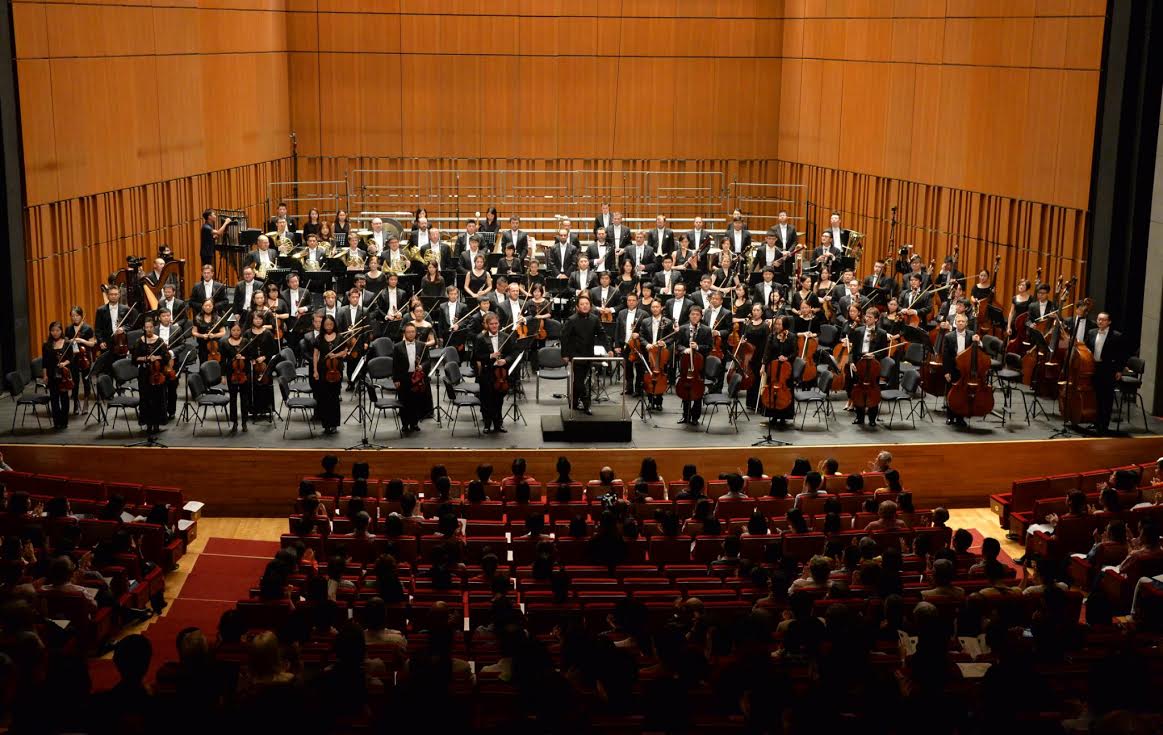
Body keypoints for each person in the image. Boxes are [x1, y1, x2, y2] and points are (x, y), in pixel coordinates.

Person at [560, 295, 610, 414]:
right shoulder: (572, 320)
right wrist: (565, 355)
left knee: (582, 380)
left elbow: (602, 334)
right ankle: (587, 404)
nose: (584, 306)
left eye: (586, 304)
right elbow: (564, 338)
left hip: (588, 354)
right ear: (577, 307)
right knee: (579, 382)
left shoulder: (594, 319)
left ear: (590, 305)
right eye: (582, 304)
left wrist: (609, 348)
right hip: (576, 356)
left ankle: (574, 402)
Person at [1084, 312, 1128, 435]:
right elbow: (1086, 349)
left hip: (1108, 369)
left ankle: (1104, 425)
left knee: (1107, 398)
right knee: (1096, 397)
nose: (1100, 322)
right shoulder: (1091, 332)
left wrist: (1119, 370)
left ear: (1109, 322)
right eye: (1098, 319)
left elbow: (1122, 355)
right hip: (1094, 368)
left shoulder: (1116, 336)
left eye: (1103, 320)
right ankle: (1096, 422)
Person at [473, 312, 517, 434]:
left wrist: (505, 360)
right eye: (491, 324)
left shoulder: (505, 336)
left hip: (501, 373)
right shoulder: (480, 338)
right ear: (487, 325)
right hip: (487, 372)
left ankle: (498, 424)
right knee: (487, 400)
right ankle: (487, 424)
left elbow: (512, 354)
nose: (494, 326)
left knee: (499, 399)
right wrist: (490, 356)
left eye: (496, 323)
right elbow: (476, 356)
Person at [848, 306, 888, 426]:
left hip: (873, 366)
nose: (867, 319)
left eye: (870, 317)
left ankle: (872, 419)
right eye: (866, 316)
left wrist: (874, 356)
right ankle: (859, 417)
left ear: (876, 319)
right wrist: (851, 362)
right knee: (858, 391)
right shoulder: (858, 331)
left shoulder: (881, 333)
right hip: (859, 363)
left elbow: (884, 352)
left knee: (873, 390)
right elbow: (852, 350)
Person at [942, 312, 981, 427]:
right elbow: (945, 356)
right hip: (953, 368)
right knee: (950, 393)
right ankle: (950, 416)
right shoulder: (949, 336)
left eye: (962, 321)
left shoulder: (971, 335)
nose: (960, 323)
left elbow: (979, 351)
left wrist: (978, 341)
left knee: (963, 394)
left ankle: (960, 417)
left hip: (966, 370)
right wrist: (946, 371)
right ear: (955, 323)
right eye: (958, 321)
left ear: (966, 323)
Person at [676, 305, 712, 425]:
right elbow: (678, 345)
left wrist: (697, 347)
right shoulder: (682, 328)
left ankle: (695, 417)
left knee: (698, 391)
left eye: (697, 315)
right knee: (685, 389)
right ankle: (685, 415)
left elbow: (709, 347)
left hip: (699, 366)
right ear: (689, 316)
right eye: (692, 314)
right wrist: (684, 349)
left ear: (701, 316)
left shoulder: (706, 330)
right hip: (685, 365)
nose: (695, 316)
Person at [132, 316, 168, 435]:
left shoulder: (160, 341)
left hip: (157, 374)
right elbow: (134, 359)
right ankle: (148, 424)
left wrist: (157, 357)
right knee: (146, 399)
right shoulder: (139, 342)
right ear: (143, 328)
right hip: (144, 374)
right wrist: (146, 358)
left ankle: (157, 424)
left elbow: (166, 357)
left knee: (158, 399)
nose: (149, 329)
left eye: (151, 327)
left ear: (154, 327)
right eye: (146, 327)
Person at [313, 314, 348, 434]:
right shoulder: (319, 338)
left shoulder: (339, 337)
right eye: (326, 324)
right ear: (323, 325)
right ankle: (326, 424)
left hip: (336, 370)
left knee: (334, 398)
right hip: (323, 370)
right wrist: (315, 371)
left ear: (334, 325)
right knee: (324, 398)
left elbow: (345, 352)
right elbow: (315, 355)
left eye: (331, 324)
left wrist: (335, 355)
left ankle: (334, 424)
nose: (329, 326)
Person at [392, 323, 429, 434]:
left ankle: (414, 423)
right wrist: (396, 380)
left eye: (413, 332)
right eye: (408, 332)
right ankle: (405, 424)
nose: (411, 334)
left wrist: (422, 366)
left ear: (416, 333)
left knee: (416, 400)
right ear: (404, 333)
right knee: (404, 401)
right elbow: (395, 365)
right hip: (404, 377)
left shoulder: (422, 345)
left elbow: (427, 360)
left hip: (417, 377)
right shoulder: (397, 346)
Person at [41, 321, 72, 429]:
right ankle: (57, 422)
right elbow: (44, 362)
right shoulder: (46, 345)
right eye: (53, 330)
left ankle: (64, 421)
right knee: (54, 399)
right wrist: (45, 376)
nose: (55, 333)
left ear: (61, 331)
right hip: (51, 374)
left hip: (63, 375)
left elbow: (71, 358)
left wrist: (64, 363)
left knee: (64, 399)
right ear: (50, 332)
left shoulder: (67, 343)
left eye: (57, 330)